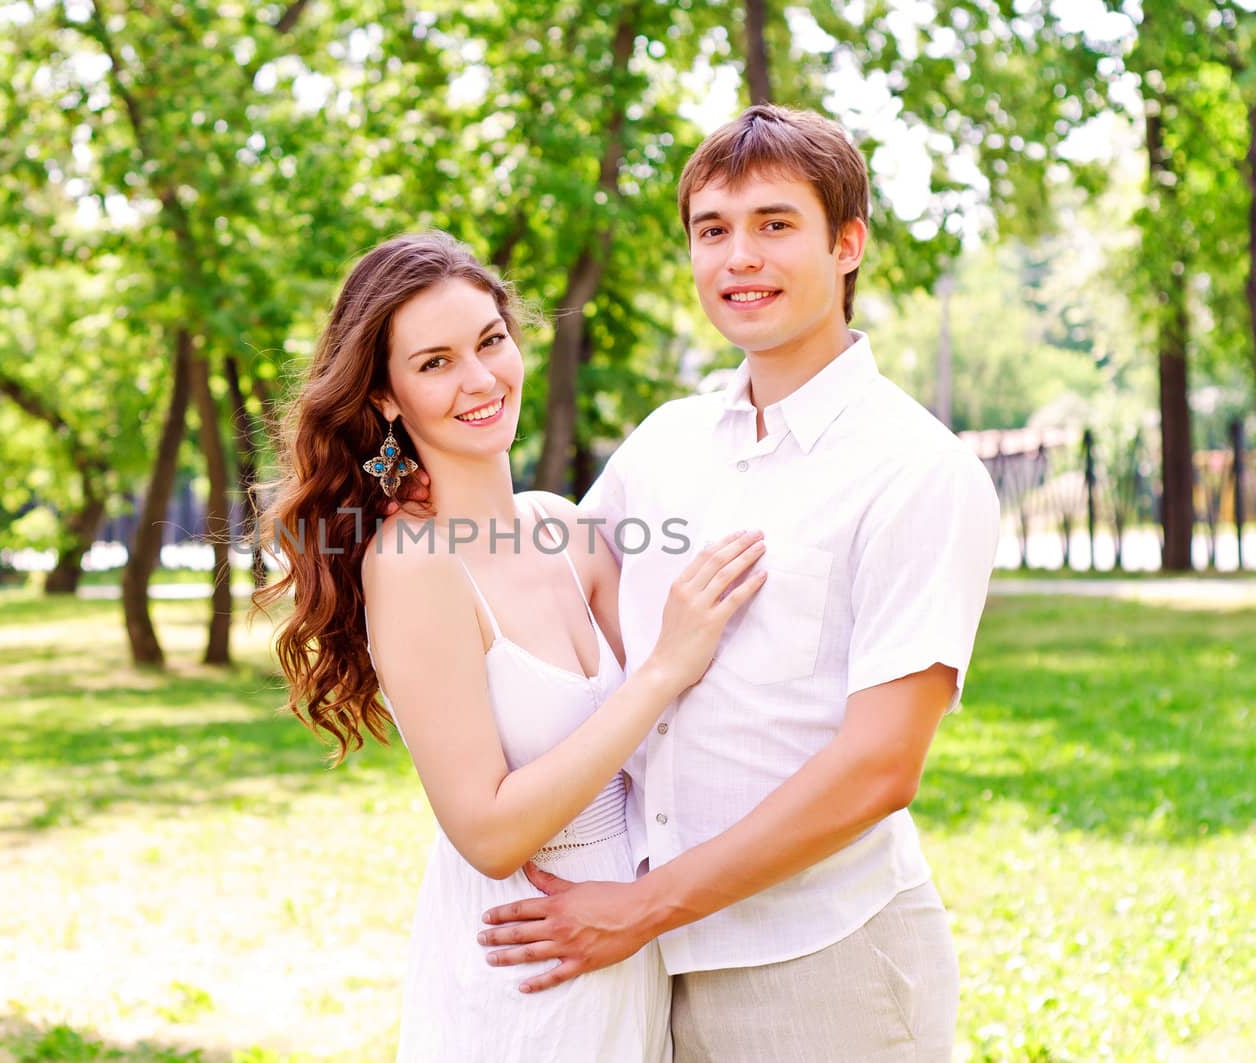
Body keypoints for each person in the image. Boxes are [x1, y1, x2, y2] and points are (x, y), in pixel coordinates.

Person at [473, 105, 1001, 1061]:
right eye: (712, 230)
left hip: (822, 962)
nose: (738, 258)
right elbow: (546, 572)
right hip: (644, 971)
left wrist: (640, 908)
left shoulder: (917, 469)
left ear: (847, 243)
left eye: (774, 225)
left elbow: (882, 767)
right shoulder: (666, 441)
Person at [256, 230, 766, 1062]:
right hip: (520, 975)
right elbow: (488, 832)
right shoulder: (415, 563)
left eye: (490, 341)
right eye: (435, 363)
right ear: (386, 398)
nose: (481, 379)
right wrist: (666, 668)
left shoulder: (567, 530)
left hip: (628, 956)